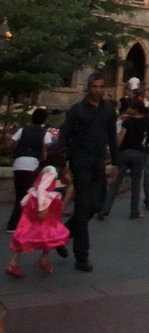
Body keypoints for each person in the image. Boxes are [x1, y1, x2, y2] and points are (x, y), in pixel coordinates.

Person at [59, 72, 119, 272]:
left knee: (97, 203)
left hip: (98, 162)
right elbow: (64, 136)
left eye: (101, 87)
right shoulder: (77, 110)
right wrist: (64, 166)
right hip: (80, 161)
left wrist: (116, 164)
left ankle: (63, 235)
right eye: (95, 87)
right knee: (83, 208)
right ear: (89, 87)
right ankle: (82, 257)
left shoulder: (109, 110)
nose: (98, 90)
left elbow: (112, 137)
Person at [6, 148, 70, 278]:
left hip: (40, 202)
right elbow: (42, 188)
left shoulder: (46, 169)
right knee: (48, 231)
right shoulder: (52, 170)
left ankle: (20, 261)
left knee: (36, 231)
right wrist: (41, 207)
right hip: (44, 204)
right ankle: (38, 259)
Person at [99, 98, 149, 220]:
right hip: (139, 153)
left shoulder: (128, 122)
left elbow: (120, 140)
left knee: (115, 183)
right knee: (136, 184)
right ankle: (134, 211)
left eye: (131, 107)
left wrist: (113, 155)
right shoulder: (145, 121)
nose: (128, 109)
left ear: (135, 109)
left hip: (125, 152)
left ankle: (105, 209)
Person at [6, 108, 54, 233]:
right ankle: (16, 223)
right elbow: (50, 148)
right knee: (28, 195)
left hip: (19, 163)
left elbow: (9, 144)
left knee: (20, 193)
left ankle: (16, 222)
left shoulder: (22, 130)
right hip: (32, 164)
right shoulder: (45, 133)